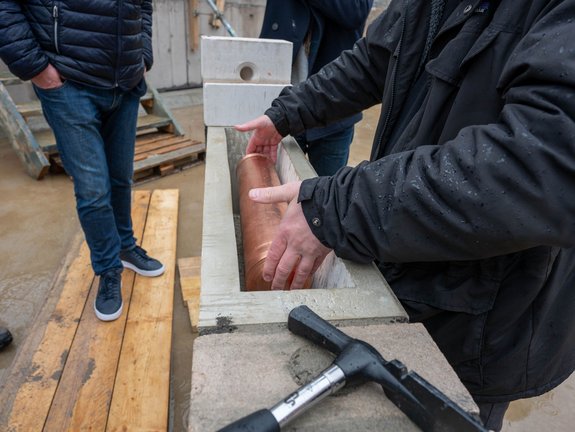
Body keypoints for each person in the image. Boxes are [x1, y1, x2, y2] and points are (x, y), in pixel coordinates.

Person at [236, 0, 575, 430]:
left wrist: (340, 209)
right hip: (404, 253)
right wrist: (287, 113)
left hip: (484, 314)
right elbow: (373, 59)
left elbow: (542, 166)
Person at [0, 1, 164, 322]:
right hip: (70, 83)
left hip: (126, 83)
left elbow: (143, 5)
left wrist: (143, 54)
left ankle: (125, 246)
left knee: (120, 177)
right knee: (93, 189)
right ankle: (108, 270)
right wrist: (36, 68)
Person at [259, 0, 373, 176]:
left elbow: (354, 11)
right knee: (270, 184)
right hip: (280, 98)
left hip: (334, 104)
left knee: (326, 193)